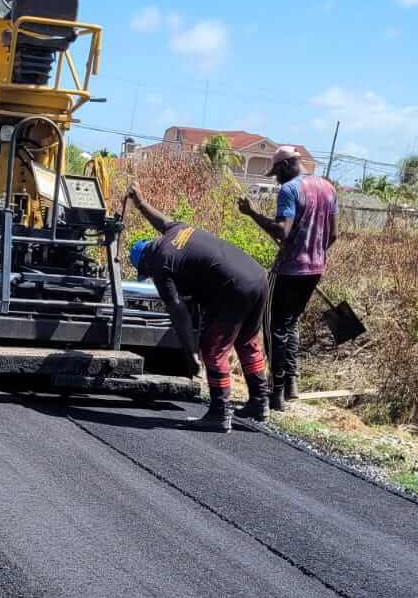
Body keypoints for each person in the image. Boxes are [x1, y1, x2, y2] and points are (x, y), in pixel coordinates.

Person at [124, 183, 269, 432]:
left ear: (145, 263)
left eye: (145, 273)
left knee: (212, 349)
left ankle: (219, 413)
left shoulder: (160, 264)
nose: (148, 276)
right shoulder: (175, 232)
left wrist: (191, 352)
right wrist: (139, 202)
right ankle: (259, 401)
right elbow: (160, 219)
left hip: (233, 287)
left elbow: (177, 310)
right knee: (247, 342)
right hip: (257, 277)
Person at [238, 147, 338, 411]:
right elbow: (333, 235)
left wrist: (252, 213)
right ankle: (290, 386)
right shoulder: (328, 188)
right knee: (291, 325)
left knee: (274, 329)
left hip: (288, 271)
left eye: (276, 174)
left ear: (284, 166)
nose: (275, 180)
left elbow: (282, 231)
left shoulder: (290, 190)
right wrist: (312, 251)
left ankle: (275, 393)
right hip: (315, 270)